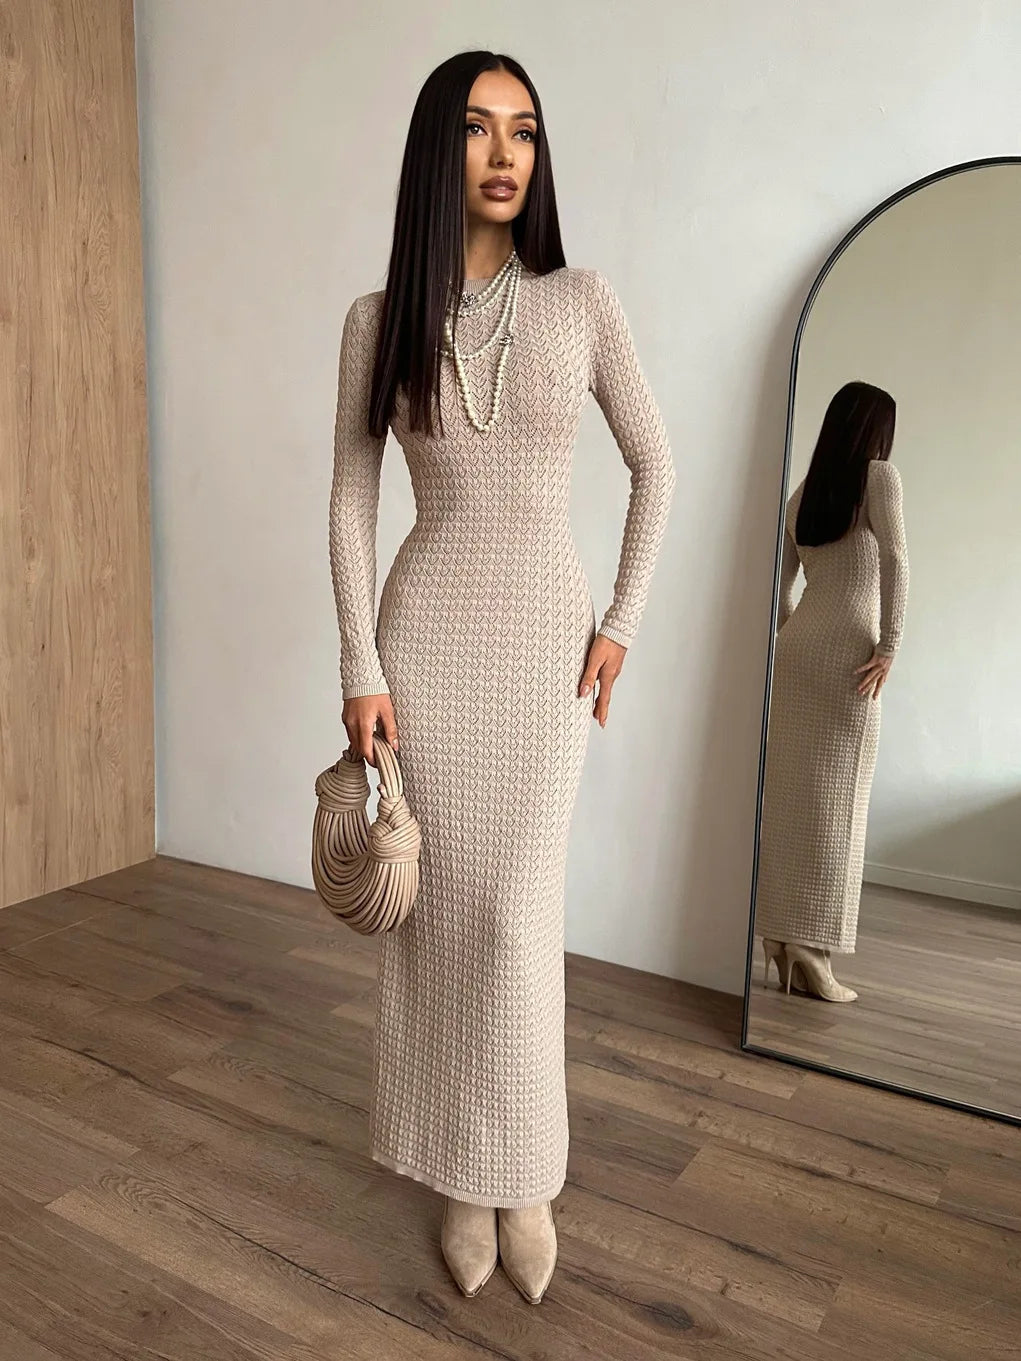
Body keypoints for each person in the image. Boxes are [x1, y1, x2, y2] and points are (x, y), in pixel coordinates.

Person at [328, 51, 675, 1302]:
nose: (504, 152)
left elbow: (658, 465)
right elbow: (352, 498)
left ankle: (522, 1171)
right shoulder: (380, 320)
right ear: (441, 152)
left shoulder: (581, 301)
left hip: (542, 655)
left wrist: (620, 622)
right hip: (423, 642)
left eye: (522, 130)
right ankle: (459, 1173)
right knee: (444, 920)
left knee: (517, 920)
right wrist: (360, 659)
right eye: (477, 130)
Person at [754, 380, 909, 1004]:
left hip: (797, 655)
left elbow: (776, 587)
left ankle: (780, 936)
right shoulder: (880, 477)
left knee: (793, 799)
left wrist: (793, 638)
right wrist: (890, 643)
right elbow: (897, 558)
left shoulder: (804, 493)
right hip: (851, 657)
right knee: (839, 805)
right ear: (875, 430)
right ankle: (813, 952)